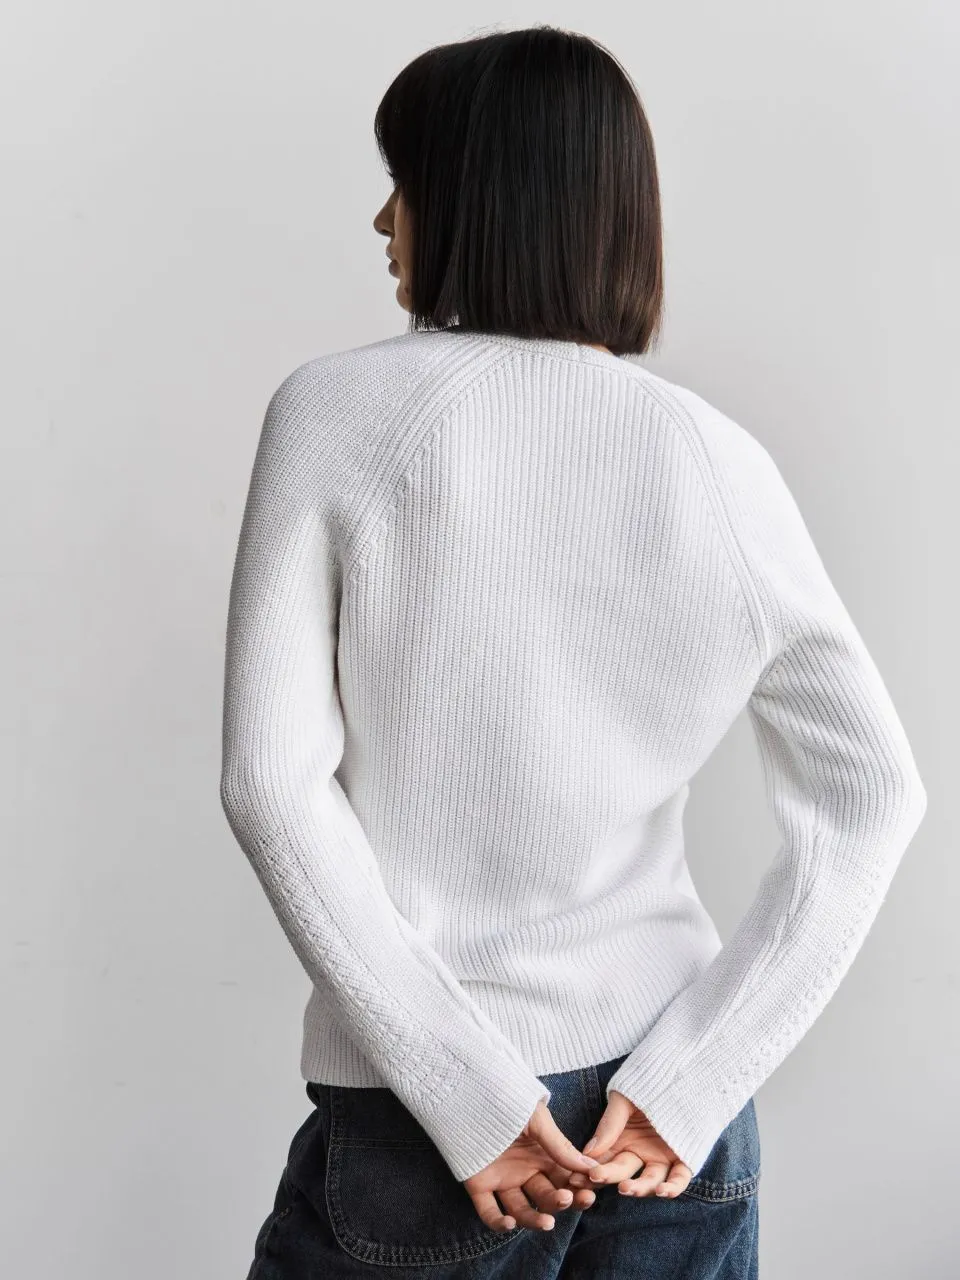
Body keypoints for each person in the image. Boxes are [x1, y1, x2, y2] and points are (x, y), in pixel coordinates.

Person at [219, 25, 927, 1280]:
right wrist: (694, 1081)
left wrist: (467, 1093)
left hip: (433, 1132)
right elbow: (874, 792)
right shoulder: (721, 462)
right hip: (667, 1126)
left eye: (406, 182)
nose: (382, 219)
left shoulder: (335, 411)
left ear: (483, 200)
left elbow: (271, 784)